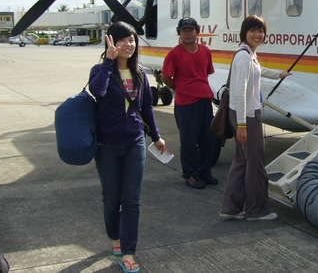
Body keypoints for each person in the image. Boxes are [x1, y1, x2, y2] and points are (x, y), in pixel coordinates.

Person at [89, 21, 166, 273]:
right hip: (107, 145)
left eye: (132, 40)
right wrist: (109, 62)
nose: (128, 45)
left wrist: (156, 136)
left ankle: (129, 252)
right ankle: (116, 239)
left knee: (132, 201)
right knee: (112, 200)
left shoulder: (140, 73)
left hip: (134, 142)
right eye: (123, 40)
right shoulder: (101, 70)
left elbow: (146, 109)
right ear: (110, 41)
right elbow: (97, 91)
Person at [220, 15, 291, 221]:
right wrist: (242, 125)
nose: (257, 34)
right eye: (253, 30)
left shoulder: (248, 54)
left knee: (242, 162)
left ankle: (231, 207)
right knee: (256, 164)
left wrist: (279, 74)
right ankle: (256, 210)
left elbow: (257, 71)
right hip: (247, 116)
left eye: (260, 31)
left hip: (244, 115)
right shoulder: (244, 56)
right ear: (244, 32)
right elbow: (240, 93)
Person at [161, 17, 217, 189]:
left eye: (191, 30)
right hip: (185, 104)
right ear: (179, 33)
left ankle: (205, 172)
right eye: (184, 30)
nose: (188, 33)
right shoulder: (174, 54)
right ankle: (191, 174)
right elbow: (165, 78)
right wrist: (181, 89)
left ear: (197, 31)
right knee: (189, 141)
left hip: (204, 101)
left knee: (208, 140)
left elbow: (206, 73)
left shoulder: (205, 51)